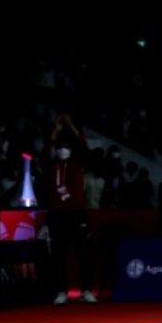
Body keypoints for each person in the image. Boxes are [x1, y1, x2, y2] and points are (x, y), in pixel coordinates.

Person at [42, 114, 97, 304]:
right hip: (57, 216)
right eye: (60, 147)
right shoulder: (51, 167)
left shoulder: (77, 164)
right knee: (59, 255)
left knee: (84, 253)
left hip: (77, 214)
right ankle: (61, 291)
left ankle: (86, 290)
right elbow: (45, 152)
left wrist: (71, 126)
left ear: (71, 150)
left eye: (66, 147)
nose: (62, 150)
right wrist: (55, 132)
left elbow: (84, 147)